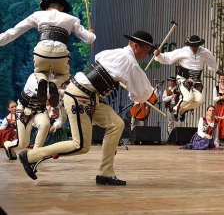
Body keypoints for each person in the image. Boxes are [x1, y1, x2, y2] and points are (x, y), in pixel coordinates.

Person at [18, 31, 155, 186]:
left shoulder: (118, 53)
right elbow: (140, 94)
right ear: (135, 46)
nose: (146, 54)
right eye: (145, 50)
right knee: (80, 145)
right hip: (80, 95)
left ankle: (105, 172)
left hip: (90, 96)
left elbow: (99, 57)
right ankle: (30, 156)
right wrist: (148, 93)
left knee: (117, 124)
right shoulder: (130, 62)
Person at [0, 0, 96, 107]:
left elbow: (15, 31)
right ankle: (54, 83)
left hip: (41, 53)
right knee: (64, 74)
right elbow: (89, 39)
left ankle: (42, 80)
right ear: (62, 8)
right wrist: (91, 33)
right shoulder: (72, 19)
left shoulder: (37, 15)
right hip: (60, 55)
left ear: (46, 8)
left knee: (39, 72)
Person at [154, 35, 222, 120]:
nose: (194, 48)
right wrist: (158, 55)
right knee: (188, 98)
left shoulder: (204, 52)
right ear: (189, 45)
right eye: (193, 46)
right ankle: (176, 108)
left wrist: (217, 71)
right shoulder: (183, 51)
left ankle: (182, 110)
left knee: (199, 101)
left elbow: (211, 61)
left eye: (196, 46)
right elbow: (168, 58)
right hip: (184, 78)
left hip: (196, 79)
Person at [3, 73, 50, 160]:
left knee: (45, 124)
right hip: (25, 109)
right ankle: (8, 145)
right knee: (23, 144)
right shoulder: (33, 77)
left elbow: (51, 102)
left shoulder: (54, 78)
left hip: (40, 110)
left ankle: (36, 153)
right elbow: (45, 98)